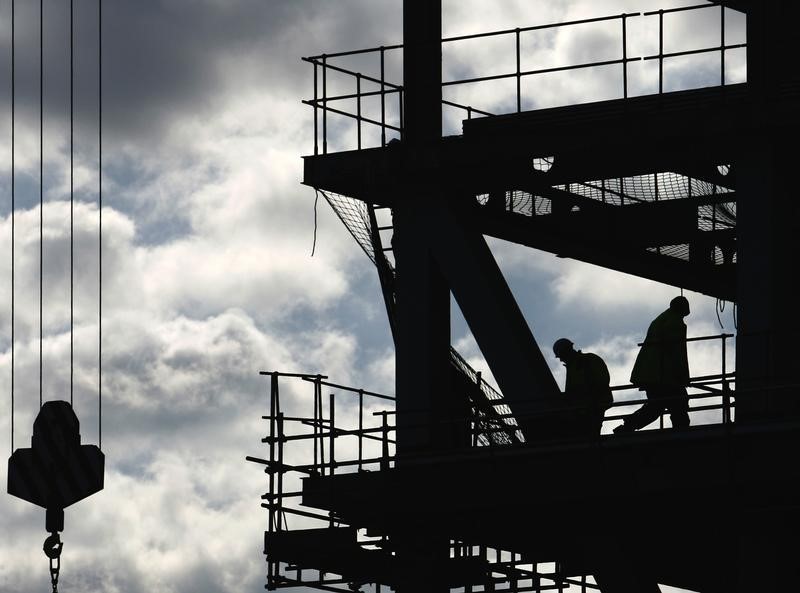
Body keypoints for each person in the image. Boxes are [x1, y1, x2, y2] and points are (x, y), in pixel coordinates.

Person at [614, 296, 691, 433]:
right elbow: (676, 351)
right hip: (664, 374)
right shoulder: (674, 323)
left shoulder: (661, 319)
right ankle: (682, 433)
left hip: (652, 373)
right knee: (678, 403)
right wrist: (682, 375)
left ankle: (628, 426)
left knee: (656, 405)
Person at [552, 338, 614, 437]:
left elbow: (602, 381)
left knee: (590, 434)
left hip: (593, 406)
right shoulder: (573, 366)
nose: (560, 359)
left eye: (561, 356)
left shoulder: (588, 360)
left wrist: (588, 397)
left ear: (567, 351)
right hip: (581, 409)